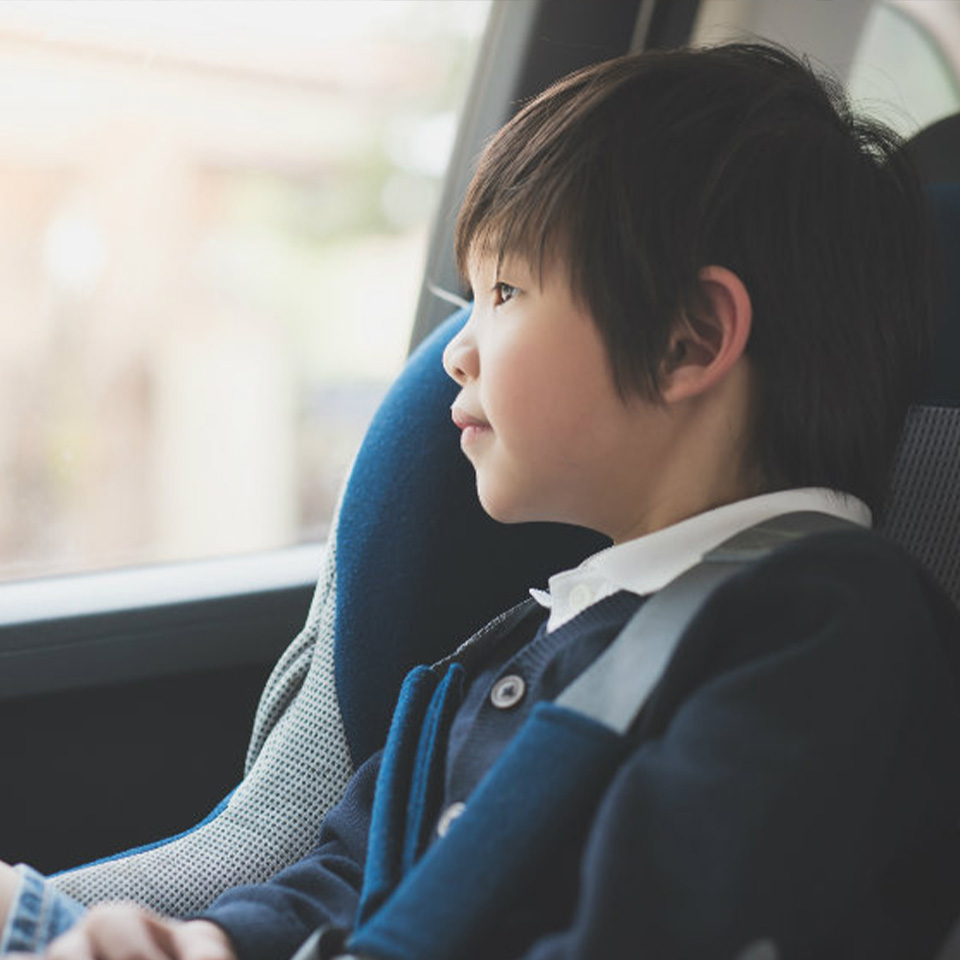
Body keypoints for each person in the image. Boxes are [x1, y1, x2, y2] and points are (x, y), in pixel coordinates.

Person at [4, 40, 960, 960]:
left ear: (687, 340)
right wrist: (207, 938)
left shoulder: (830, 627)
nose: (457, 349)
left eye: (504, 291)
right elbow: (348, 873)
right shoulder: (526, 643)